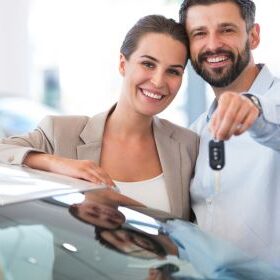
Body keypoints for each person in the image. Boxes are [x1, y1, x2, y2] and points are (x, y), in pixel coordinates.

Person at [0, 15, 199, 219]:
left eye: (173, 72)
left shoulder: (187, 145)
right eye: (148, 64)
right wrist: (56, 163)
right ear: (123, 64)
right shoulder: (61, 134)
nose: (158, 81)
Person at [179, 0, 280, 261]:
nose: (212, 45)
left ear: (253, 35)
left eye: (227, 30)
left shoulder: (272, 104)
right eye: (199, 33)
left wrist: (254, 109)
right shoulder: (196, 132)